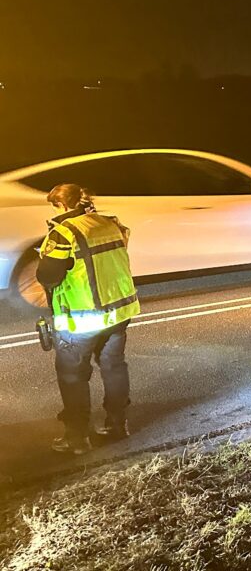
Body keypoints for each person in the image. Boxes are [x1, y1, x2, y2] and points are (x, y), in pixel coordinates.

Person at [37, 184, 140, 455]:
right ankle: (118, 425)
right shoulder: (111, 223)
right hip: (118, 312)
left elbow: (47, 276)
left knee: (72, 377)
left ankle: (77, 438)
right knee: (114, 367)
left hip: (82, 318)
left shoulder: (63, 233)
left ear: (61, 206)